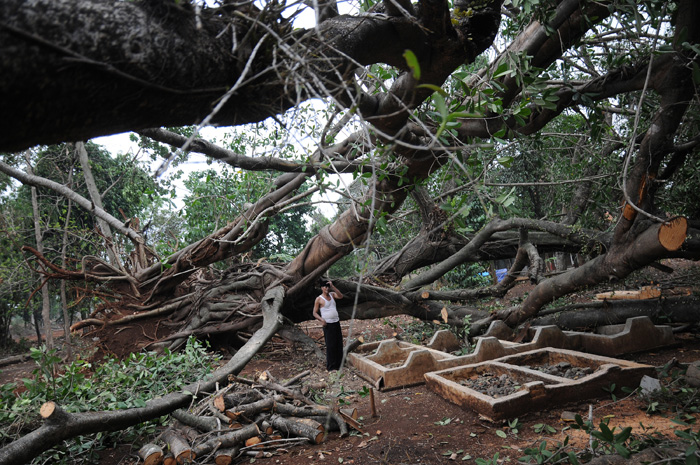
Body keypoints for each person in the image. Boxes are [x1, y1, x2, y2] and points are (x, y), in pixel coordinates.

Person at [312, 278, 344, 371]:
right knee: (330, 345)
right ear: (321, 288)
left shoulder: (332, 295)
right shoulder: (319, 299)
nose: (327, 289)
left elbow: (341, 296)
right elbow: (314, 312)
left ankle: (339, 365)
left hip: (336, 322)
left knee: (338, 343)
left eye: (328, 287)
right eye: (325, 287)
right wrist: (322, 320)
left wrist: (333, 286)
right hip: (328, 325)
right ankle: (331, 367)